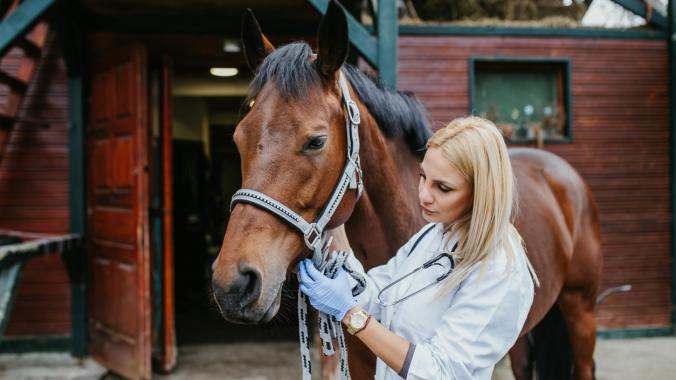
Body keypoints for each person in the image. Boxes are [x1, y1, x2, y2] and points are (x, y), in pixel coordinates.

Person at [298, 116, 537, 379]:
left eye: (443, 188)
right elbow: (380, 293)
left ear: (481, 192)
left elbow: (440, 371)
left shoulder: (499, 270)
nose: (423, 194)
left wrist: (351, 315)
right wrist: (340, 270)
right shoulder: (433, 234)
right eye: (423, 176)